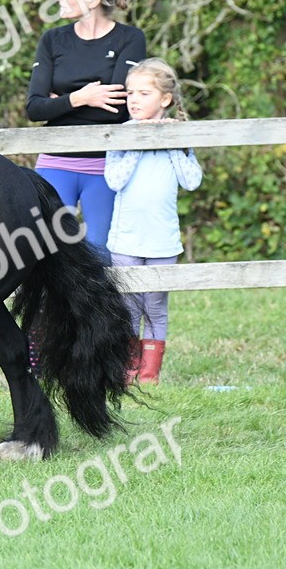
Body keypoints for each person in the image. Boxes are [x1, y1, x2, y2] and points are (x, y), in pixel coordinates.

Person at [25, 0, 146, 263]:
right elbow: (35, 108)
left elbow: (117, 109)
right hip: (55, 160)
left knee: (99, 256)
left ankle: (98, 314)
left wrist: (59, 102)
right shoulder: (52, 39)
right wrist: (82, 97)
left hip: (105, 166)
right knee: (49, 254)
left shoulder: (130, 38)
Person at [105, 58, 201, 384]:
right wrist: (138, 141)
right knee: (130, 305)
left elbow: (192, 180)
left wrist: (170, 140)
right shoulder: (121, 135)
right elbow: (114, 180)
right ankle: (128, 370)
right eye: (130, 92)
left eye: (143, 93)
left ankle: (150, 373)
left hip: (162, 237)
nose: (133, 99)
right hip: (127, 237)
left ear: (164, 99)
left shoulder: (176, 133)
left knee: (156, 305)